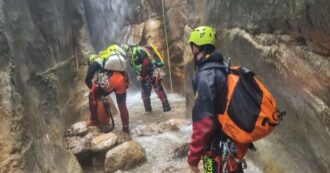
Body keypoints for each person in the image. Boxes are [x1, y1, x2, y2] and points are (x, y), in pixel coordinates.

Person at [187, 26, 249, 173]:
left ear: (196, 49)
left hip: (214, 150)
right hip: (233, 145)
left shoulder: (205, 77)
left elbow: (204, 122)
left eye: (193, 47)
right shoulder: (225, 68)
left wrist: (193, 158)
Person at [85, 44, 130, 133]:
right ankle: (125, 127)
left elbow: (87, 79)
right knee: (122, 105)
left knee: (92, 95)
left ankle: (94, 120)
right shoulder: (108, 58)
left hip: (110, 80)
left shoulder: (95, 62)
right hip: (121, 80)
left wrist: (95, 91)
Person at [129, 45, 171, 112]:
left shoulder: (138, 51)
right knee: (147, 94)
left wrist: (142, 75)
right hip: (148, 74)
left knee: (157, 90)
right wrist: (140, 75)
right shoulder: (135, 55)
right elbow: (140, 66)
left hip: (151, 72)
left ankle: (166, 109)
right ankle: (152, 111)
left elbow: (146, 62)